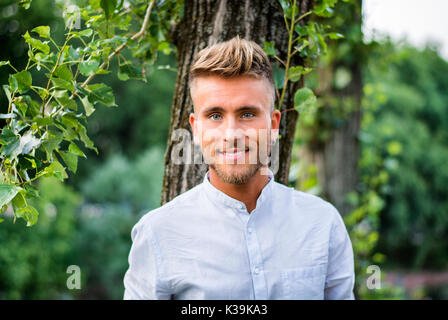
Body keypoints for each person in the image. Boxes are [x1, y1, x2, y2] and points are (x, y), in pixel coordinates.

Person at [123, 36, 355, 300]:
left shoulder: (323, 225)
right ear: (196, 129)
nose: (231, 133)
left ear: (274, 124)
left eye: (247, 114)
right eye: (215, 116)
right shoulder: (157, 234)